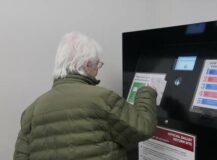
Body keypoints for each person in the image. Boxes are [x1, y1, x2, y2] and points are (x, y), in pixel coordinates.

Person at [13, 32, 157, 160]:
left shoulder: (31, 111)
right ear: (87, 64)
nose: (97, 70)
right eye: (97, 65)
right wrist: (146, 92)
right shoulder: (103, 99)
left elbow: (20, 156)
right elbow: (143, 127)